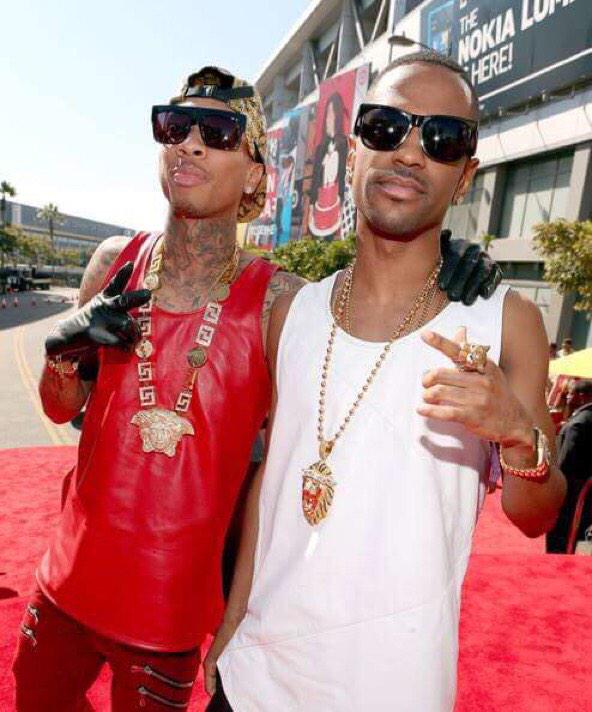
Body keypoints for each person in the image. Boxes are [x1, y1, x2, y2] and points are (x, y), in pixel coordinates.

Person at [11, 65, 497, 711]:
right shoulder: (112, 263)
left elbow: (371, 321)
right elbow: (59, 408)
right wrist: (62, 352)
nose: (189, 144)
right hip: (66, 580)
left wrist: (451, 259)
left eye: (217, 132)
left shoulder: (281, 302)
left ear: (255, 176)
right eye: (174, 126)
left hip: (167, 618)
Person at [205, 52, 567, 712]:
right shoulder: (292, 311)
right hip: (255, 676)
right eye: (385, 126)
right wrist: (232, 621)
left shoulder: (507, 322)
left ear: (465, 177)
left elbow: (535, 515)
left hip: (393, 688)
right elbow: (272, 482)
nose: (408, 153)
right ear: (353, 153)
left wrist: (518, 436)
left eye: (442, 139)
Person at [546, 379, 592, 553]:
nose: (568, 397)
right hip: (585, 491)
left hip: (572, 494)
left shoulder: (577, 424)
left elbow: (566, 463)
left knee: (564, 538)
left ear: (583, 396)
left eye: (571, 394)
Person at [309, 92, 349, 239]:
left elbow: (344, 176)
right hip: (320, 205)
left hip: (335, 205)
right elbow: (315, 179)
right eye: (327, 114)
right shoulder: (321, 148)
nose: (328, 119)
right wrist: (312, 205)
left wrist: (342, 204)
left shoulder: (344, 145)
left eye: (332, 113)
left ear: (338, 115)